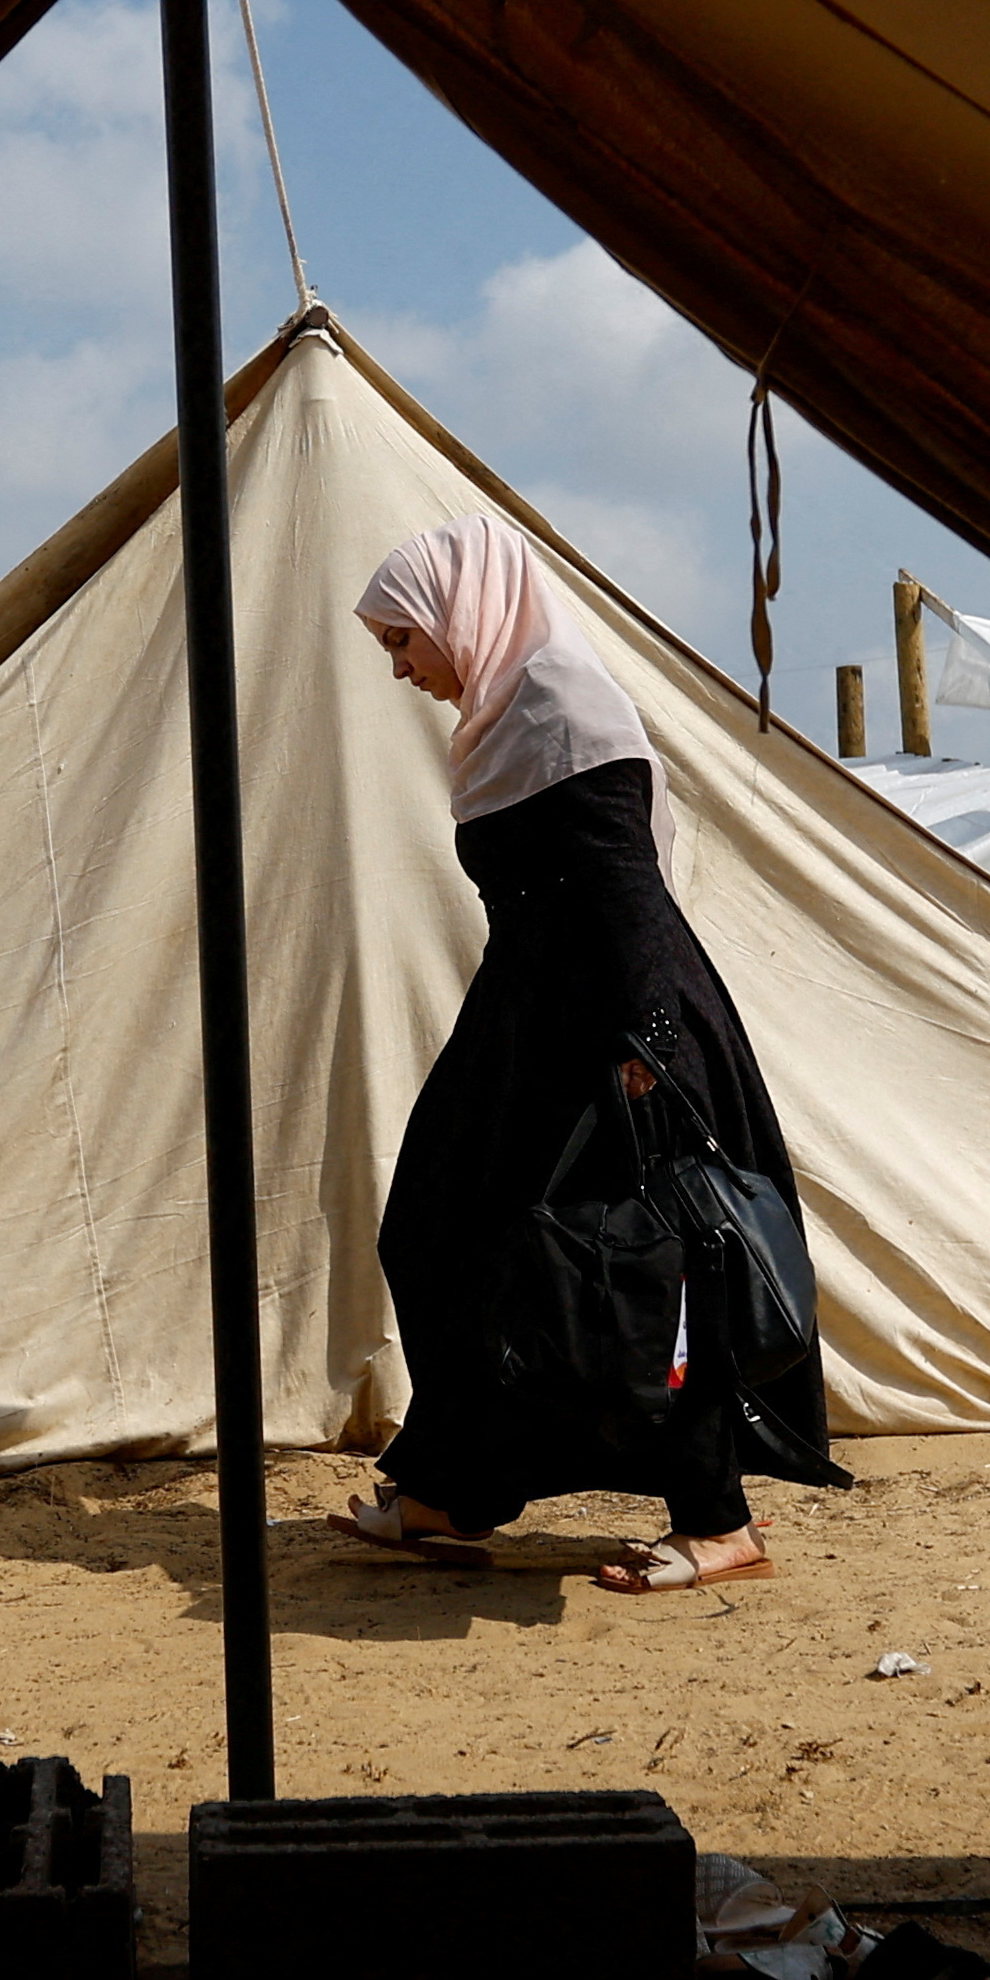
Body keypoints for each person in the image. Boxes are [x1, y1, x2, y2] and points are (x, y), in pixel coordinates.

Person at [344, 509, 848, 1592]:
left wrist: (646, 1051)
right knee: (443, 1235)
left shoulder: (564, 705)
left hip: (619, 1032)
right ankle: (451, 1488)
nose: (398, 668)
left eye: (400, 639)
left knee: (646, 1269)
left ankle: (717, 1523)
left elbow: (625, 889)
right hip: (530, 1023)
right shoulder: (503, 713)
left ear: (456, 608)